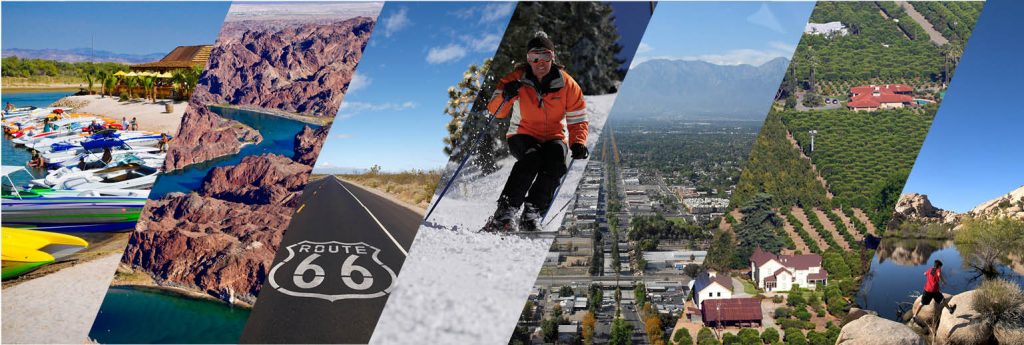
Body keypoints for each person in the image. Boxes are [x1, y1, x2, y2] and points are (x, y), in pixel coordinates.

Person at [482, 31, 589, 232]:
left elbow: (578, 119)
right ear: (528, 60)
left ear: (553, 57)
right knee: (532, 159)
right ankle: (505, 212)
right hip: (522, 133)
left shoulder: (567, 84)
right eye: (534, 58)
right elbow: (496, 111)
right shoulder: (516, 79)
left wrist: (578, 142)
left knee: (556, 163)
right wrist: (506, 95)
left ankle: (532, 213)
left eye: (546, 56)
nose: (540, 62)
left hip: (553, 137)